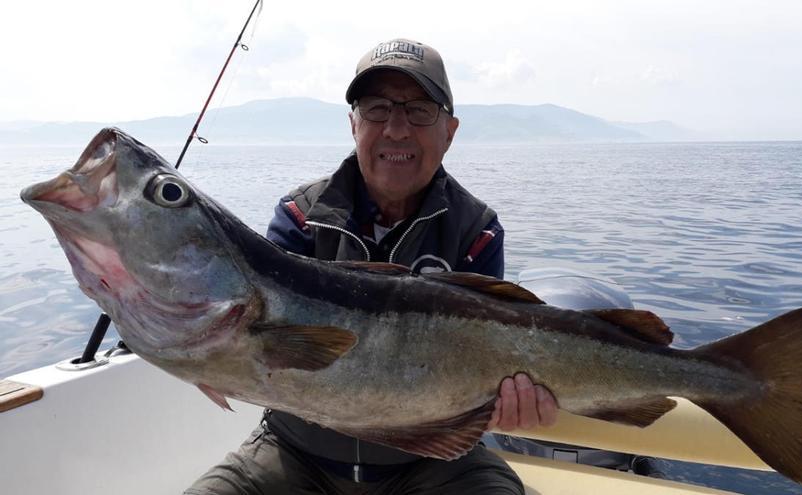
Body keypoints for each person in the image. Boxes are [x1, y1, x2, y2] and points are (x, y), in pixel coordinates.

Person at [185, 38, 558, 495]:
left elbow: (491, 359)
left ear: (450, 131)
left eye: (419, 109)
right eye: (377, 108)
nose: (397, 129)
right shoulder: (300, 217)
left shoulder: (476, 231)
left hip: (433, 462)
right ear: (353, 124)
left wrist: (509, 405)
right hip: (295, 451)